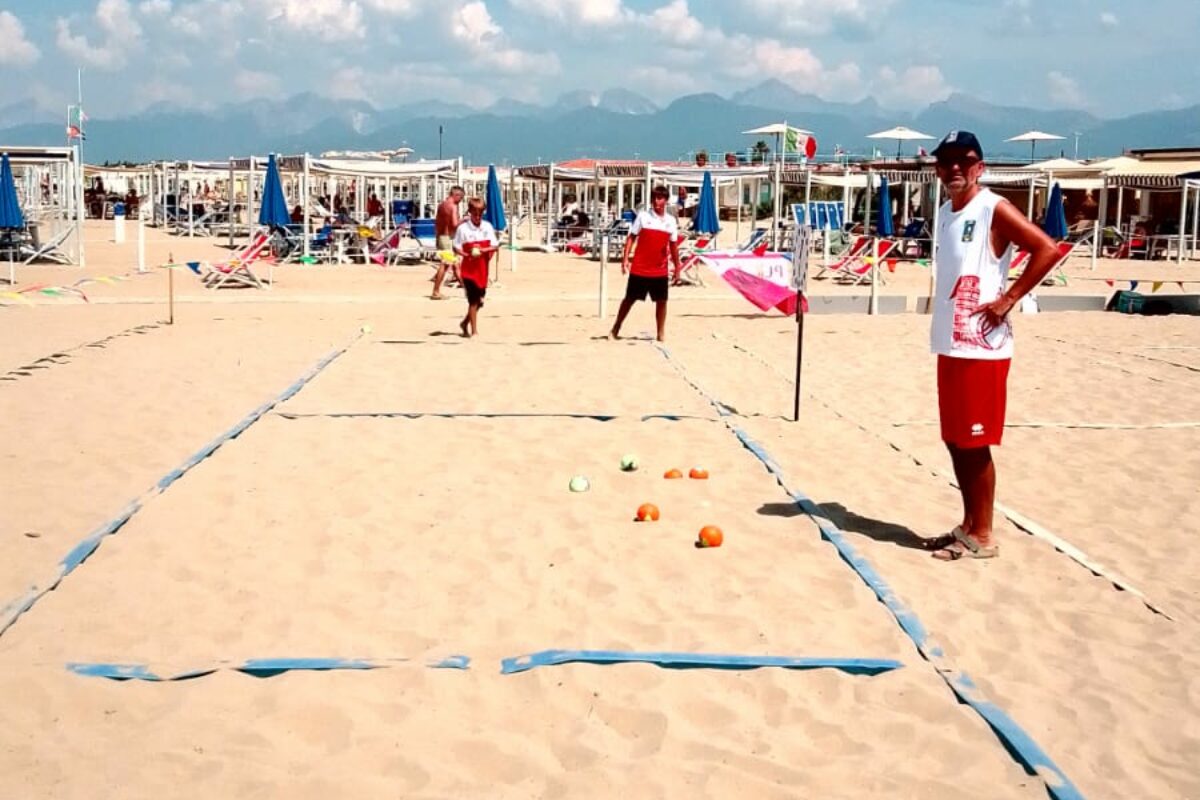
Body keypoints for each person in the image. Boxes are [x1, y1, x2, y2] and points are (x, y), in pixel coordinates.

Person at [923, 130, 1059, 561]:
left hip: (982, 346)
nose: (955, 169)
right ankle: (968, 524)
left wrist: (1009, 299)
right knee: (954, 438)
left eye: (965, 161)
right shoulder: (946, 210)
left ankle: (982, 535)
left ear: (980, 166)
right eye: (947, 162)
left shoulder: (991, 207)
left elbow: (1047, 249)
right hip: (950, 342)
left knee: (973, 441)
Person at [609, 185, 683, 342]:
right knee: (629, 299)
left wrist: (677, 268)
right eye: (654, 198)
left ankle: (661, 332)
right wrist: (625, 259)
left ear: (666, 200)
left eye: (660, 198)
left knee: (662, 301)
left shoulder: (671, 221)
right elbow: (631, 237)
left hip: (660, 268)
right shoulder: (643, 217)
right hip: (640, 267)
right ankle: (616, 327)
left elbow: (673, 246)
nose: (657, 201)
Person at [452, 197, 498, 338]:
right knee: (473, 301)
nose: (477, 216)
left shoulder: (487, 227)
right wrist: (466, 253)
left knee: (480, 302)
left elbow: (495, 245)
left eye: (480, 213)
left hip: (482, 270)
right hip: (468, 271)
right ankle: (474, 331)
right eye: (475, 213)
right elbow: (455, 246)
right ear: (470, 212)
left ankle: (465, 322)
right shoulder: (463, 228)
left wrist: (483, 250)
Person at [432, 185, 465, 300]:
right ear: (456, 195)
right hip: (447, 238)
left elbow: (436, 222)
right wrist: (464, 219)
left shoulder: (442, 205)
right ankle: (435, 291)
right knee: (445, 265)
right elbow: (455, 224)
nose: (461, 201)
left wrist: (437, 237)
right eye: (461, 198)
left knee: (455, 265)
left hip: (442, 236)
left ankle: (468, 291)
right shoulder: (453, 206)